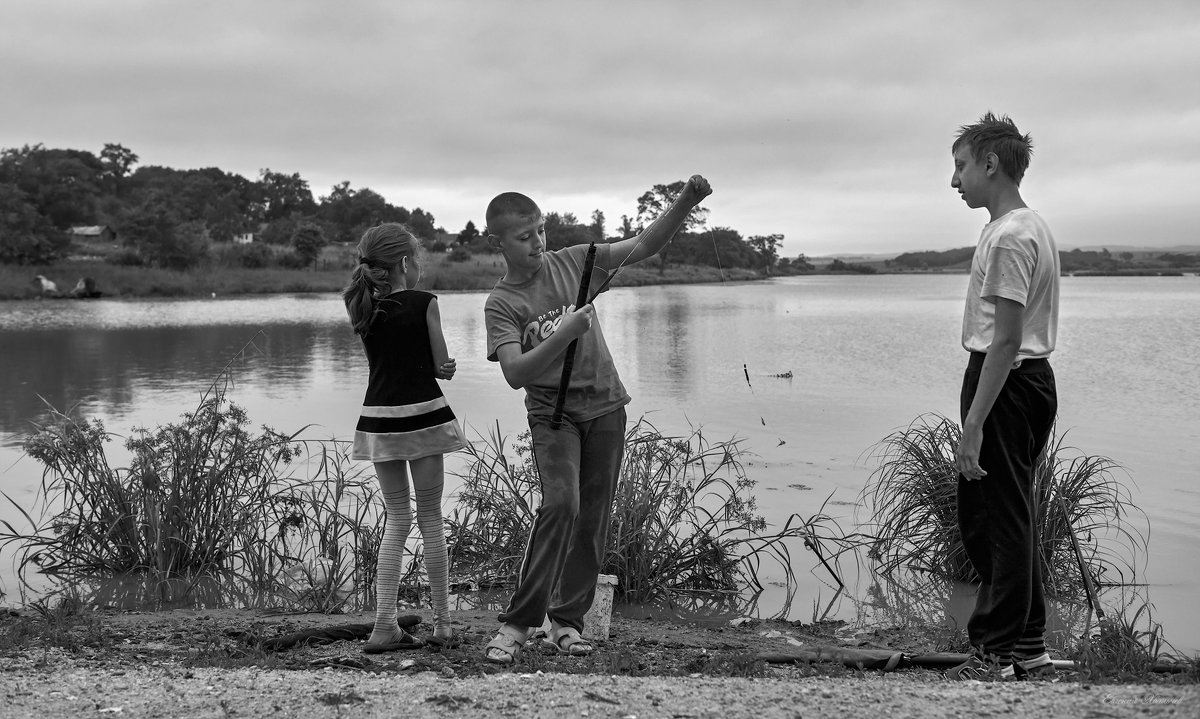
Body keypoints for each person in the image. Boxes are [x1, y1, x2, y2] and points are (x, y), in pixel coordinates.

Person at [481, 174, 713, 664]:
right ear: (497, 241)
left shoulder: (575, 260)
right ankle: (518, 625)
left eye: (541, 231)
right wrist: (565, 332)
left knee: (592, 519)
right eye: (525, 237)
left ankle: (566, 623)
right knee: (560, 504)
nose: (538, 243)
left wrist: (686, 201)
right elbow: (516, 374)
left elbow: (645, 245)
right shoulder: (501, 303)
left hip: (607, 406)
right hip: (554, 415)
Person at [947, 113, 1060, 680]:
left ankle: (993, 653)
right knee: (1007, 514)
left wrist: (973, 424)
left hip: (1008, 380)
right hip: (1021, 379)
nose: (955, 180)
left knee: (995, 520)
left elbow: (1008, 338)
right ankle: (1029, 646)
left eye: (961, 166)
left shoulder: (1013, 234)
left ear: (991, 164)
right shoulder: (1024, 226)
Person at [342, 222, 467, 653]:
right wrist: (444, 368)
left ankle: (384, 626)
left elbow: (386, 362)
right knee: (430, 517)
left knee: (397, 520)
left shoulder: (360, 307)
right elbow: (438, 362)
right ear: (404, 263)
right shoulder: (425, 302)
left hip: (379, 420)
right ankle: (444, 626)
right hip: (424, 417)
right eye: (418, 261)